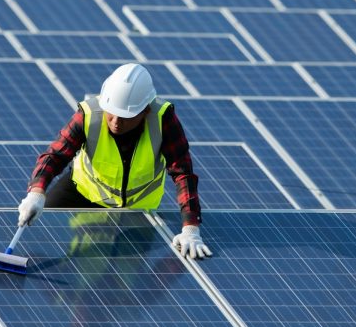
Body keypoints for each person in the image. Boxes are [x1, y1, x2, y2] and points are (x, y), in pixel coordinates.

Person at [17, 62, 211, 259]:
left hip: (137, 209)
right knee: (38, 225)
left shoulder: (163, 119)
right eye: (112, 113)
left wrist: (190, 228)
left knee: (120, 275)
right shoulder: (89, 114)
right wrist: (37, 192)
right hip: (82, 192)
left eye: (126, 117)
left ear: (145, 111)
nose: (116, 122)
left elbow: (183, 173)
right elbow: (55, 155)